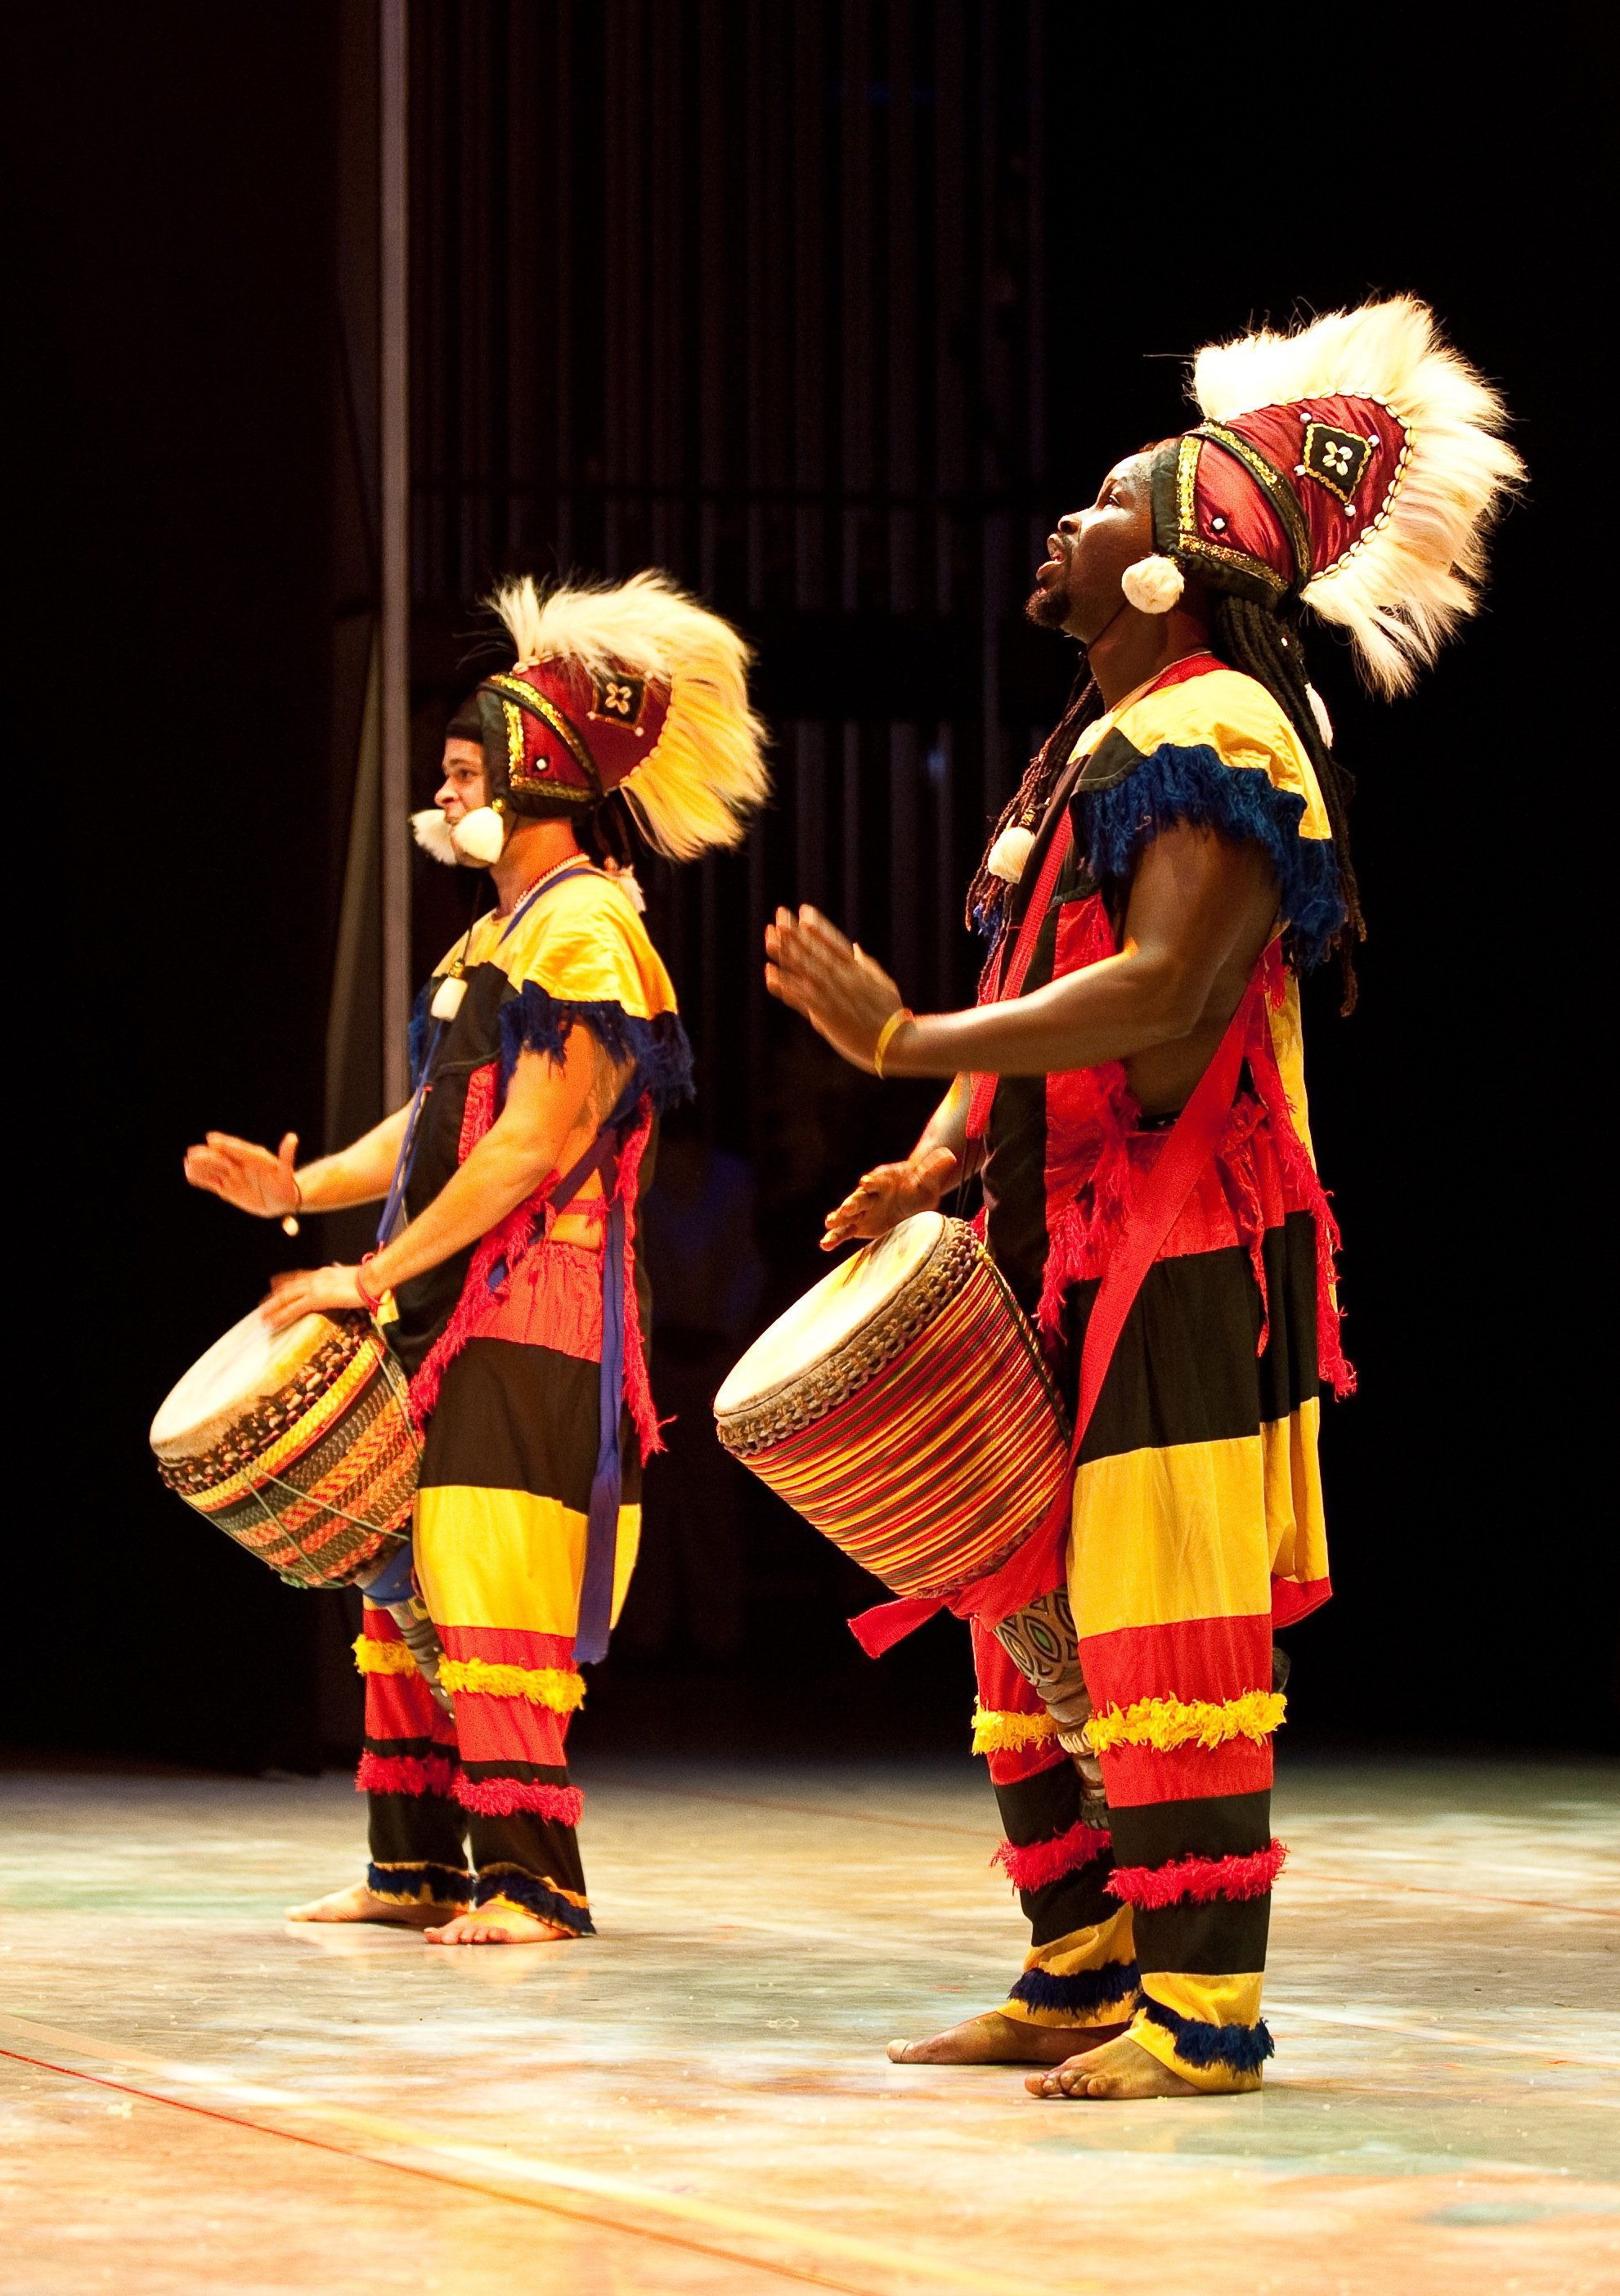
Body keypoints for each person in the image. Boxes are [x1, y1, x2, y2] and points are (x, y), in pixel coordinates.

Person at [765, 298, 1519, 2095]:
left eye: (1104, 500)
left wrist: (906, 1034)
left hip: (1182, 1250)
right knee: (1020, 1617)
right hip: (1057, 1240)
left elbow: (1170, 992)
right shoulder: (1092, 750)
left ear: (1174, 571)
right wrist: (939, 1149)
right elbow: (1060, 965)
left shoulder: (1231, 730)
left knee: (1161, 1618)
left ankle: (1201, 2017)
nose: (1063, 520)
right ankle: (1080, 1968)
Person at [186, 572, 767, 1944]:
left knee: (488, 1568)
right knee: (402, 1577)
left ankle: (528, 1879)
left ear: (532, 777)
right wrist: (297, 1192)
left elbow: (524, 1150)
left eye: (463, 775)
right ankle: (413, 1867)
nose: (445, 799)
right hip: (452, 1294)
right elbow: (433, 1123)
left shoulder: (587, 928)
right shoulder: (491, 936)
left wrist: (371, 1278)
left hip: (536, 1299)